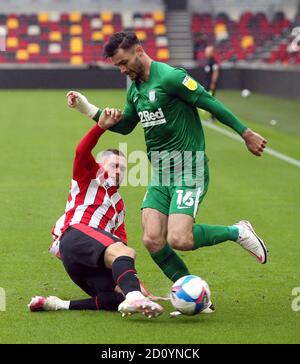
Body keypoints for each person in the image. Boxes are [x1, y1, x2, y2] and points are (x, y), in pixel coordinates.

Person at [67, 32, 268, 295]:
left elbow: (210, 102)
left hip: (188, 166)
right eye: (118, 65)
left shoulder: (171, 77)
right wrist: (89, 109)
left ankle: (237, 231)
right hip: (161, 171)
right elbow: (127, 126)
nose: (122, 70)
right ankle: (196, 295)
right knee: (152, 239)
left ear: (139, 51)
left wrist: (246, 133)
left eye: (124, 62)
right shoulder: (136, 89)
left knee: (179, 238)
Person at [28, 103, 164, 318]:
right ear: (100, 166)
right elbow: (81, 151)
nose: (119, 171)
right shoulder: (89, 178)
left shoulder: (119, 205)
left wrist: (140, 289)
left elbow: (120, 251)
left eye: (123, 168)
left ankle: (56, 304)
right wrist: (100, 127)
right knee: (126, 256)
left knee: (118, 295)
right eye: (114, 166)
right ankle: (134, 296)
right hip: (75, 235)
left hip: (82, 260)